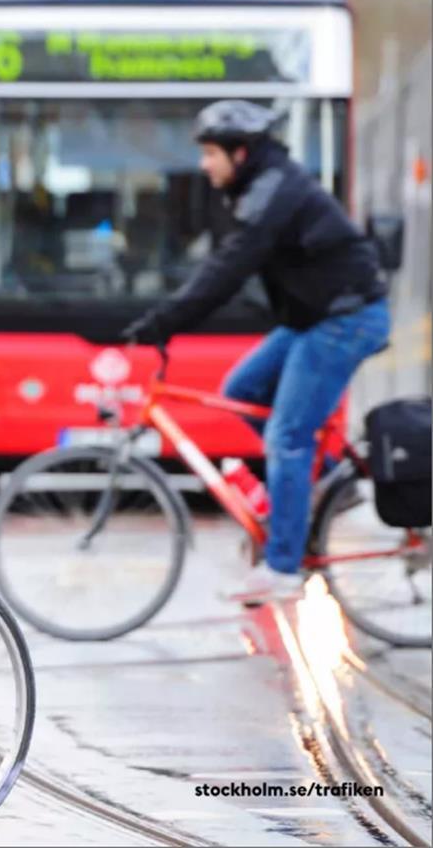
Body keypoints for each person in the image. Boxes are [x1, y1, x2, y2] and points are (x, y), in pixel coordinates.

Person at [122, 100, 390, 601]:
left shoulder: (274, 192)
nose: (203, 166)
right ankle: (330, 483)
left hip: (346, 319)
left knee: (287, 434)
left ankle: (284, 568)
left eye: (209, 154)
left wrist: (165, 322)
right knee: (241, 388)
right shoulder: (260, 187)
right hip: (316, 316)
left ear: (239, 153)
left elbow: (228, 269)